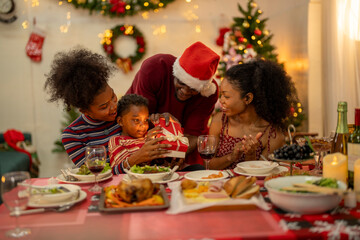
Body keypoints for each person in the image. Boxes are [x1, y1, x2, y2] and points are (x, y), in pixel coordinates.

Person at [127, 41, 220, 167]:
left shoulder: (208, 94)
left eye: (193, 89)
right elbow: (137, 119)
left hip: (176, 146)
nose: (185, 92)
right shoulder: (154, 68)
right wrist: (161, 122)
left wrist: (175, 152)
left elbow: (193, 135)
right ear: (175, 73)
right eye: (181, 83)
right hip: (135, 135)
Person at [208, 59, 298, 170]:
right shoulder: (220, 121)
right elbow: (208, 165)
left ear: (247, 98)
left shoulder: (272, 135)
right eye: (221, 94)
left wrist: (250, 155)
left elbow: (259, 175)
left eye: (226, 96)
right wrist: (232, 156)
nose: (221, 100)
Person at [44, 48, 121, 167]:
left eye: (113, 96)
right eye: (104, 106)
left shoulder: (126, 112)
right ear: (85, 111)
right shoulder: (73, 135)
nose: (113, 106)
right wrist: (131, 161)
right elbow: (92, 171)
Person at [109, 94, 178, 174]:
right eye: (136, 120)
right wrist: (147, 145)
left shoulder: (148, 137)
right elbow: (125, 167)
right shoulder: (117, 141)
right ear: (120, 121)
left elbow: (154, 165)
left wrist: (167, 162)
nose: (143, 125)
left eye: (145, 120)